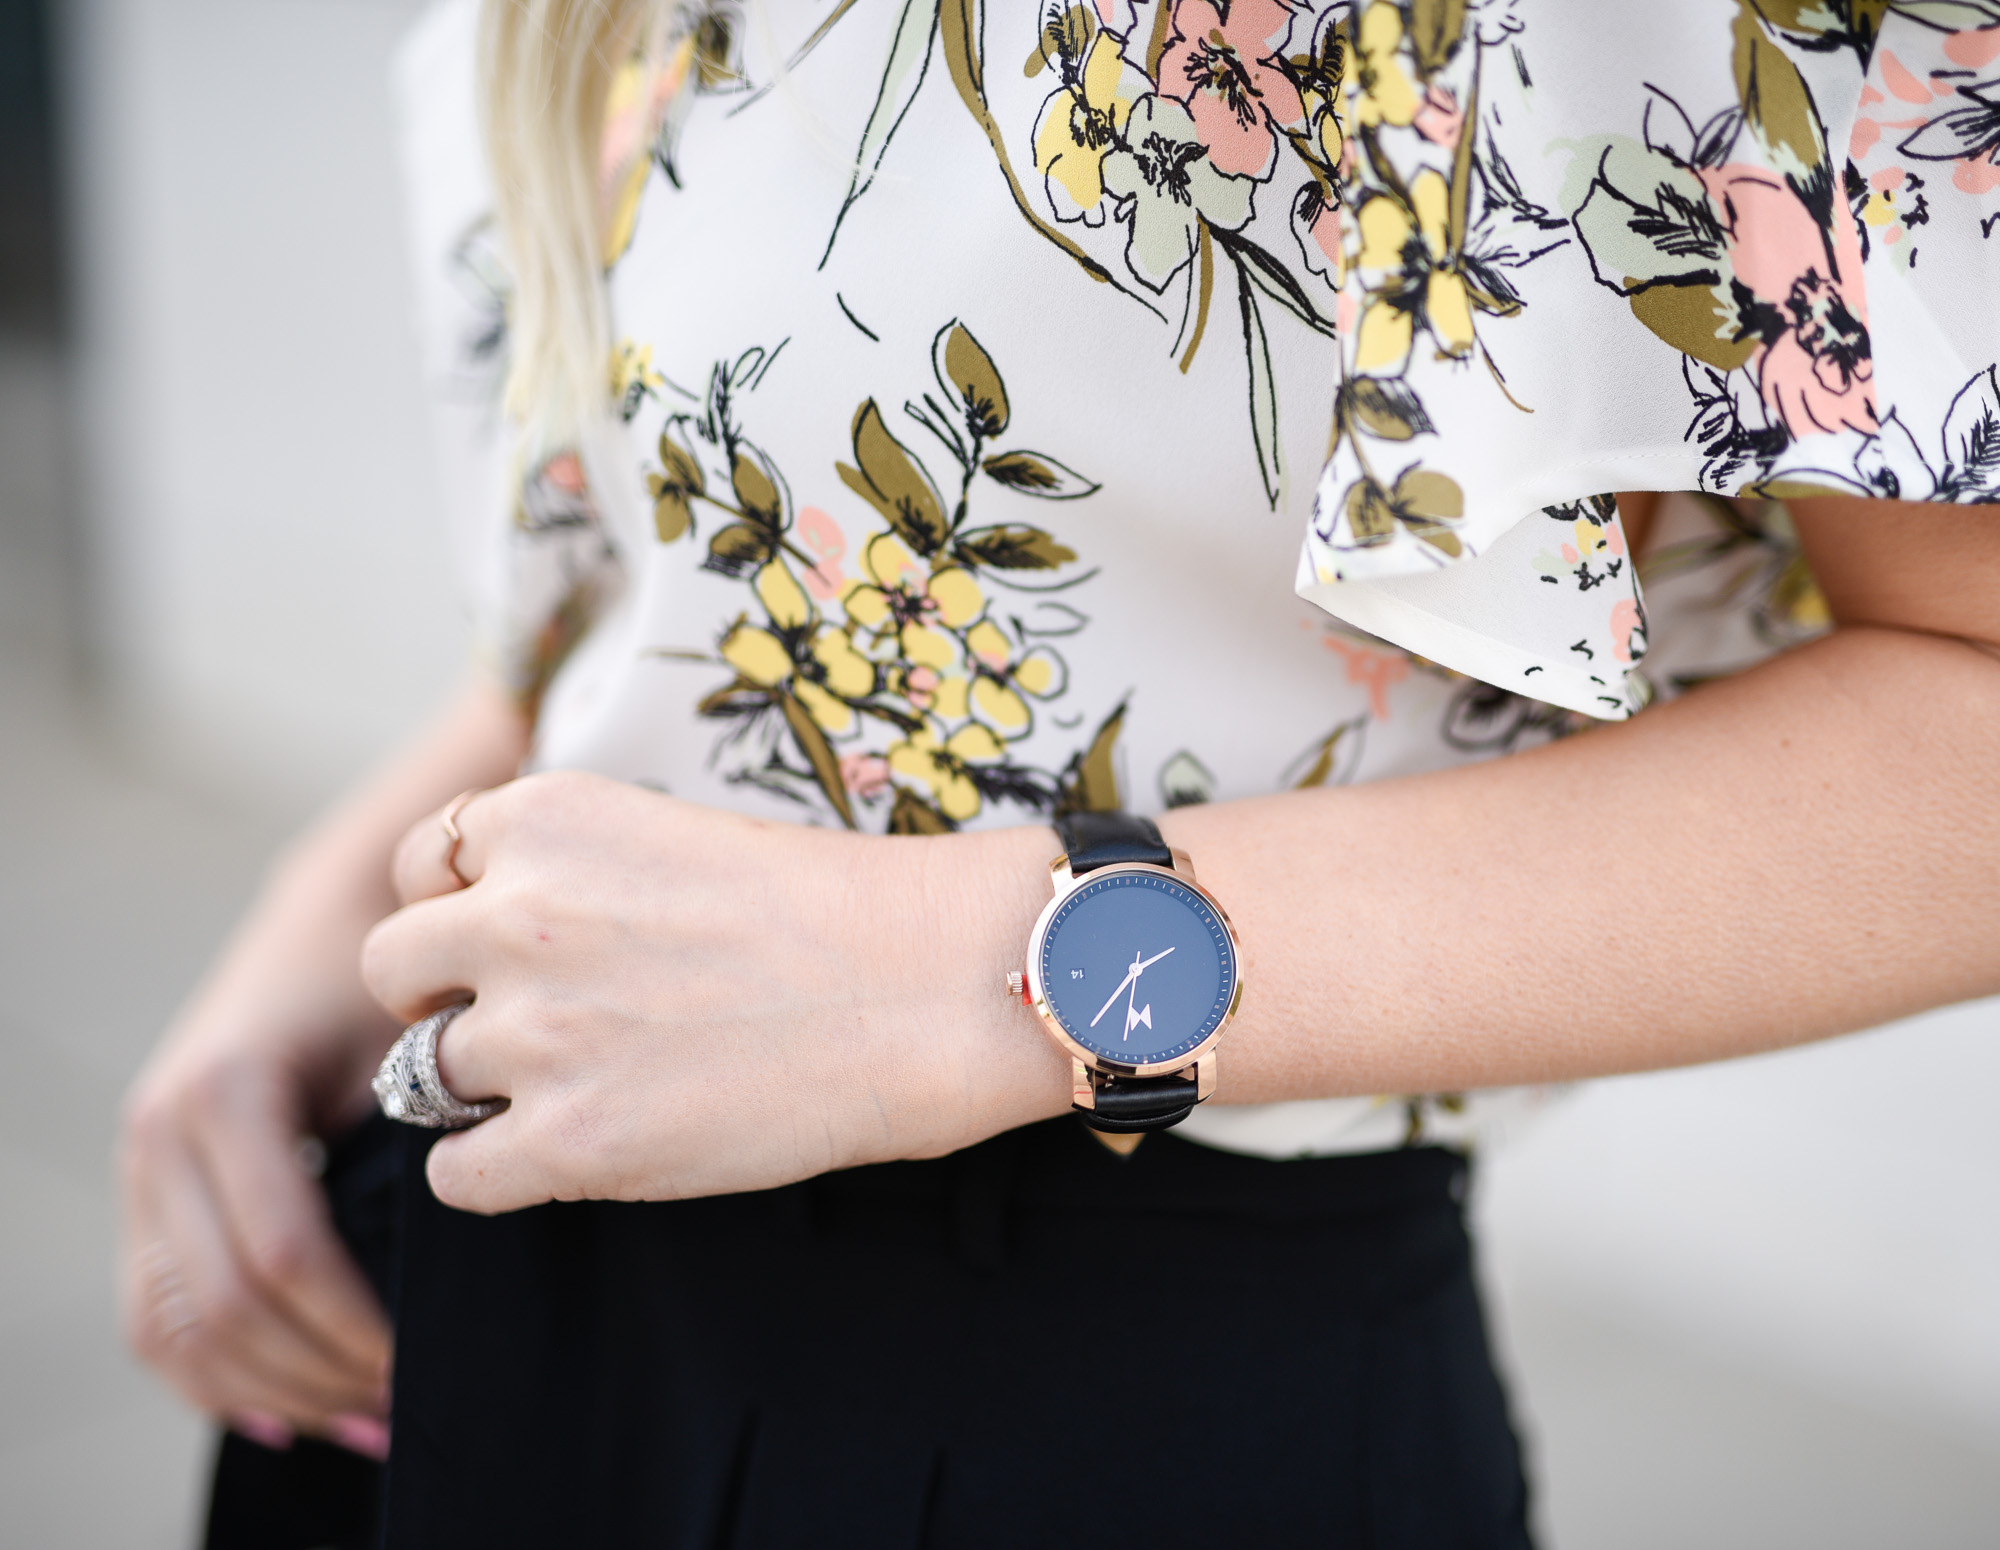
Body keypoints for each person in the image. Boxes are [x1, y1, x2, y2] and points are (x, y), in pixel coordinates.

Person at [120, 0, 2000, 1545]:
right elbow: (697, 575)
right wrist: (323, 919)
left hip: (1094, 1390)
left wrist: (976, 967)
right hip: (437, 1307)